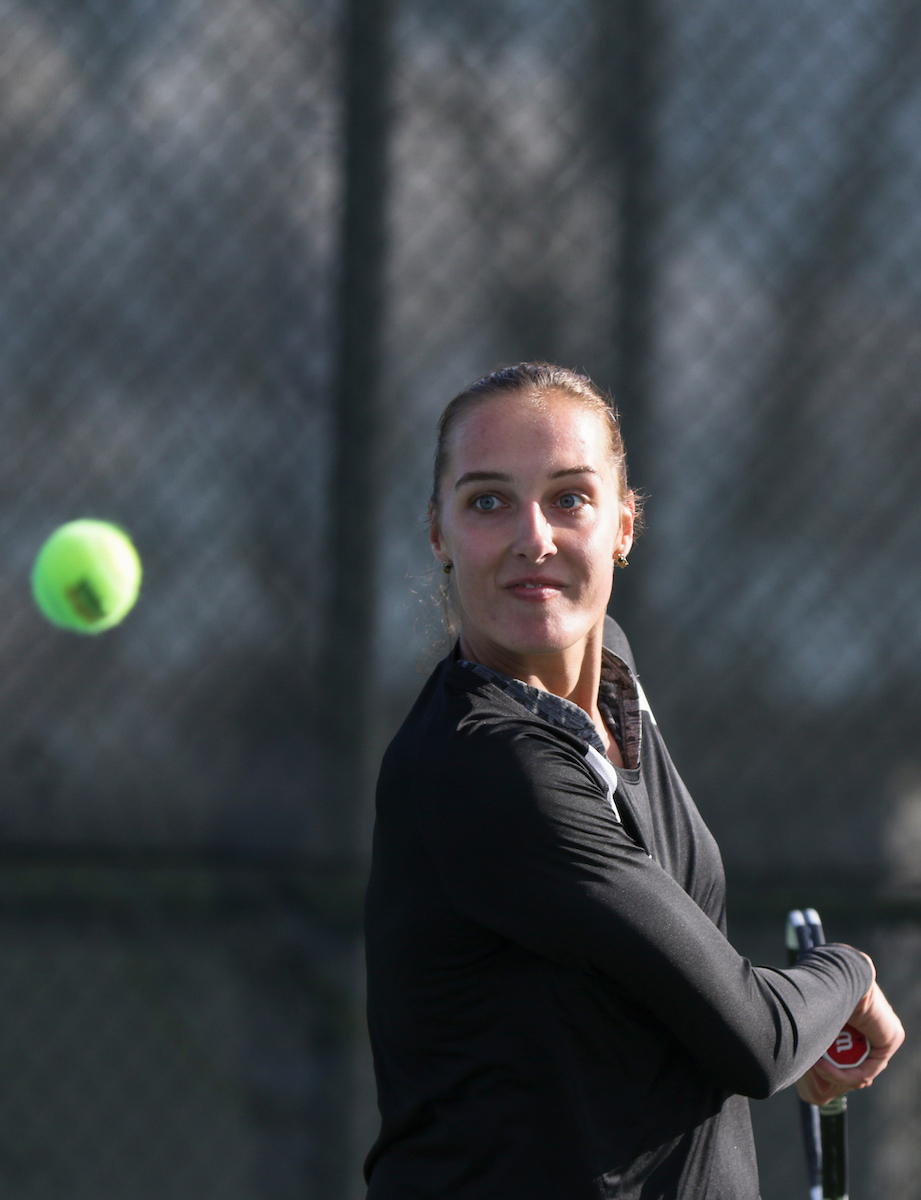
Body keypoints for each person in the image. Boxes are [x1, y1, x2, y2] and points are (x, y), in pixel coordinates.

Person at [363, 362, 903, 1199]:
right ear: (437, 531)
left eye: (569, 498)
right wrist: (850, 976)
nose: (531, 539)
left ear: (623, 523)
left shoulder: (612, 674)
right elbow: (754, 1038)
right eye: (487, 501)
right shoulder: (487, 766)